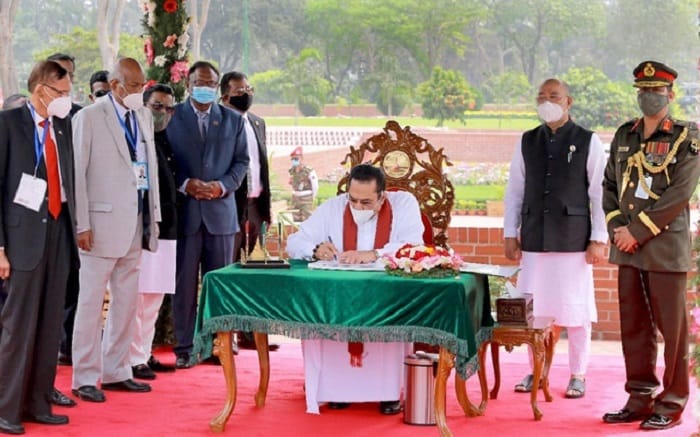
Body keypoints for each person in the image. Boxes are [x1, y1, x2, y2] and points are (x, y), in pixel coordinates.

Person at [601, 61, 700, 431]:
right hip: (627, 247)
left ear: (670, 95)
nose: (649, 97)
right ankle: (640, 397)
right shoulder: (625, 134)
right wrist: (617, 229)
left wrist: (637, 232)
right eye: (643, 91)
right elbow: (609, 185)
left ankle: (672, 403)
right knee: (635, 327)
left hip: (663, 247)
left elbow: (679, 194)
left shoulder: (687, 137)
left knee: (672, 331)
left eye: (656, 91)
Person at [286, 164, 424, 415]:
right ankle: (337, 391)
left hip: (386, 295)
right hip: (339, 296)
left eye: (366, 202)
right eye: (353, 200)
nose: (358, 207)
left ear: (382, 197)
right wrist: (315, 249)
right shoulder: (334, 207)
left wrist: (373, 254)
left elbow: (413, 247)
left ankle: (388, 394)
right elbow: (295, 242)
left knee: (391, 316)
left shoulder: (404, 204)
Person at [504, 78, 607, 399]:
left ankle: (578, 374)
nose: (546, 101)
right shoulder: (527, 140)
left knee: (576, 312)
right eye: (541, 96)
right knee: (534, 310)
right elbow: (515, 190)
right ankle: (537, 370)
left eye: (554, 95)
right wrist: (510, 233)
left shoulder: (588, 140)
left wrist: (599, 238)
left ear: (568, 101)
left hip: (573, 240)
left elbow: (599, 193)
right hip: (534, 237)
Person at [71, 57, 161, 403]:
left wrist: (152, 217)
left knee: (126, 303)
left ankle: (117, 370)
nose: (140, 91)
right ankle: (84, 376)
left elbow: (147, 169)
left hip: (135, 222)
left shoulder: (143, 116)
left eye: (143, 85)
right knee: (90, 304)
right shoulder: (90, 117)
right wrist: (81, 223)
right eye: (134, 86)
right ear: (114, 85)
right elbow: (77, 174)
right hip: (98, 226)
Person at [0, 60, 79, 434]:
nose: (66, 99)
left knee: (49, 323)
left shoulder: (62, 126)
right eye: (61, 93)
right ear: (40, 90)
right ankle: (6, 407)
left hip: (58, 233)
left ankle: (38, 401)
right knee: (18, 326)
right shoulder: (7, 125)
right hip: (20, 239)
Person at [167, 61, 249, 369]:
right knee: (184, 286)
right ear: (188, 85)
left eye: (211, 84)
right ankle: (185, 347)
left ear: (218, 87)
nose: (205, 88)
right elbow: (163, 160)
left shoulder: (232, 120)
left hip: (221, 214)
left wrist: (221, 186)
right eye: (199, 82)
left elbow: (241, 162)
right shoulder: (172, 116)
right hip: (185, 215)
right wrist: (185, 184)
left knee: (219, 286)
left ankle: (218, 345)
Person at [220, 71, 279, 353]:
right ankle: (224, 334)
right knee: (228, 270)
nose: (246, 94)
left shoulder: (257, 122)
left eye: (248, 89)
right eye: (239, 90)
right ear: (225, 96)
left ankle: (247, 332)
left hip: (256, 205)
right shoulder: (219, 122)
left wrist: (266, 208)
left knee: (249, 271)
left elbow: (260, 165)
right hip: (230, 205)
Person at [129, 84, 178, 380]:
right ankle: (131, 358)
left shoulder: (167, 140)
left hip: (168, 229)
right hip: (143, 229)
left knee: (154, 297)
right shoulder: (135, 139)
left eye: (169, 108)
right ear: (143, 106)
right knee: (137, 297)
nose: (163, 113)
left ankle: (143, 353)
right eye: (157, 106)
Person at [288, 147, 318, 222]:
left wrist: (312, 197)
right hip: (295, 198)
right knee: (296, 220)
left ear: (301, 158)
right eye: (292, 159)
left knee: (307, 219)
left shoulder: (309, 171)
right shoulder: (292, 171)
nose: (294, 161)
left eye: (296, 158)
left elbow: (315, 186)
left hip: (306, 198)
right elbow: (291, 182)